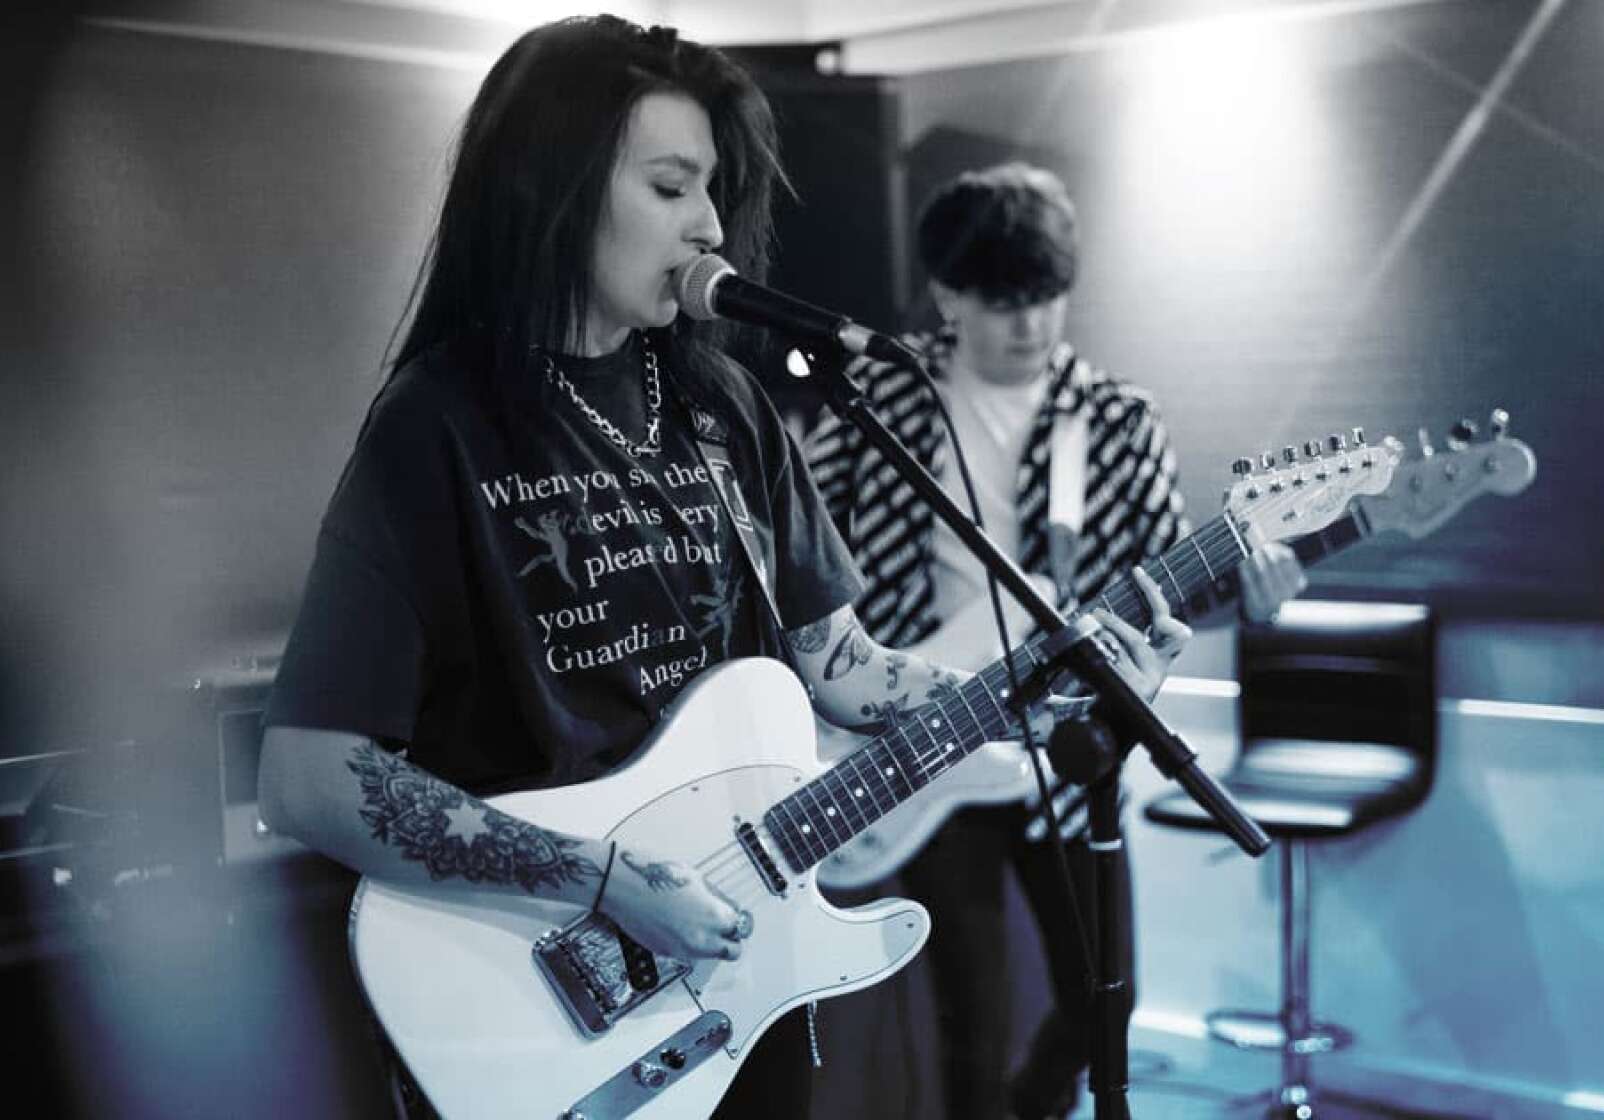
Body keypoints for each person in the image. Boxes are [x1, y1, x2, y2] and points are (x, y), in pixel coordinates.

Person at [254, 23, 1190, 1120]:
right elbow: (310, 776)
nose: (708, 223)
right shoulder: (438, 426)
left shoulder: (724, 409)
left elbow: (843, 667)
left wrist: (1062, 686)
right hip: (535, 992)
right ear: (553, 188)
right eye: (670, 186)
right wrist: (600, 877)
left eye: (713, 188)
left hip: (739, 976)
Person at [804, 163, 1307, 1120]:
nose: (1030, 325)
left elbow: (1169, 585)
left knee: (1102, 1004)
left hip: (1069, 744)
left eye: (1045, 298)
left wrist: (1250, 593)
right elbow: (805, 558)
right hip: (928, 740)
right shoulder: (877, 397)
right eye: (1002, 302)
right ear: (948, 294)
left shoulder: (1118, 420)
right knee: (972, 1020)